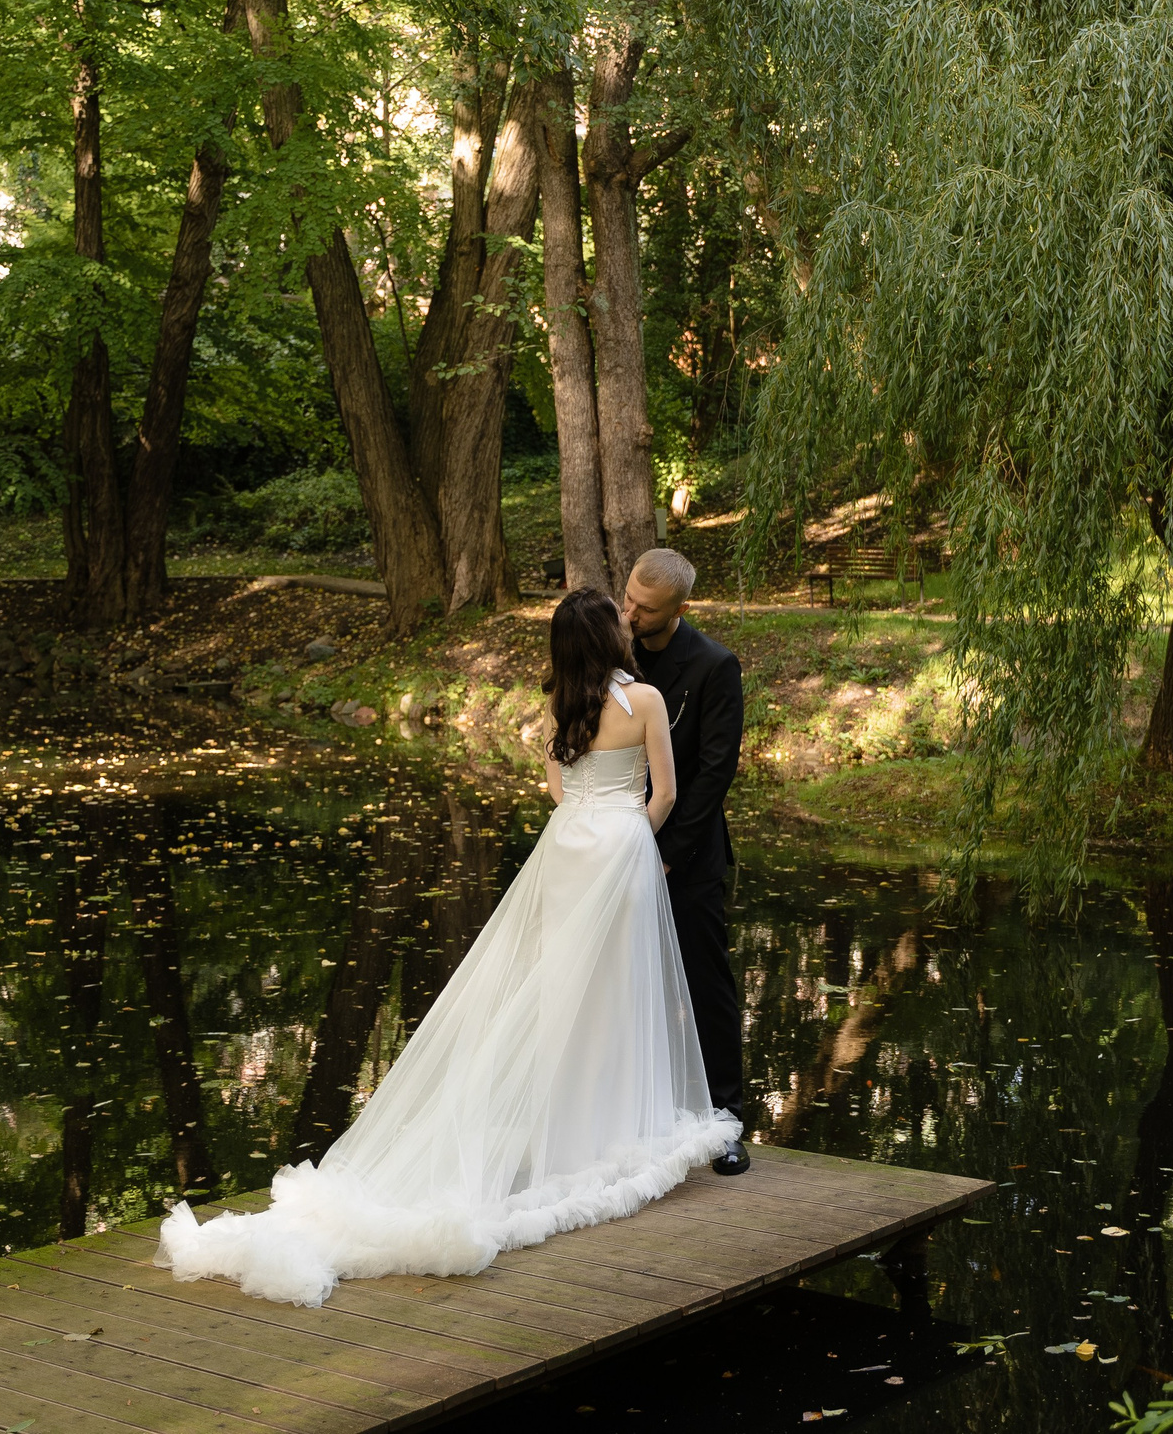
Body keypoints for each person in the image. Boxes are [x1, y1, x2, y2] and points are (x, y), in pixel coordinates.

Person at [155, 588, 738, 1307]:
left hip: (569, 849)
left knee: (560, 992)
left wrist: (593, 819)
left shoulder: (558, 706)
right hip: (622, 846)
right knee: (618, 992)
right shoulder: (646, 698)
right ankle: (607, 1127)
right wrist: (632, 841)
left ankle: (564, 1128)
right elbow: (669, 795)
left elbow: (557, 792)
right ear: (610, 638)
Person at [620, 547, 750, 1175]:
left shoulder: (714, 667)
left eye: (643, 610)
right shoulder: (612, 655)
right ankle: (639, 1121)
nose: (629, 614)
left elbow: (712, 774)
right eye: (627, 599)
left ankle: (725, 1122)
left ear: (678, 610)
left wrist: (666, 856)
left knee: (705, 986)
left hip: (688, 860)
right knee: (624, 987)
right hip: (613, 851)